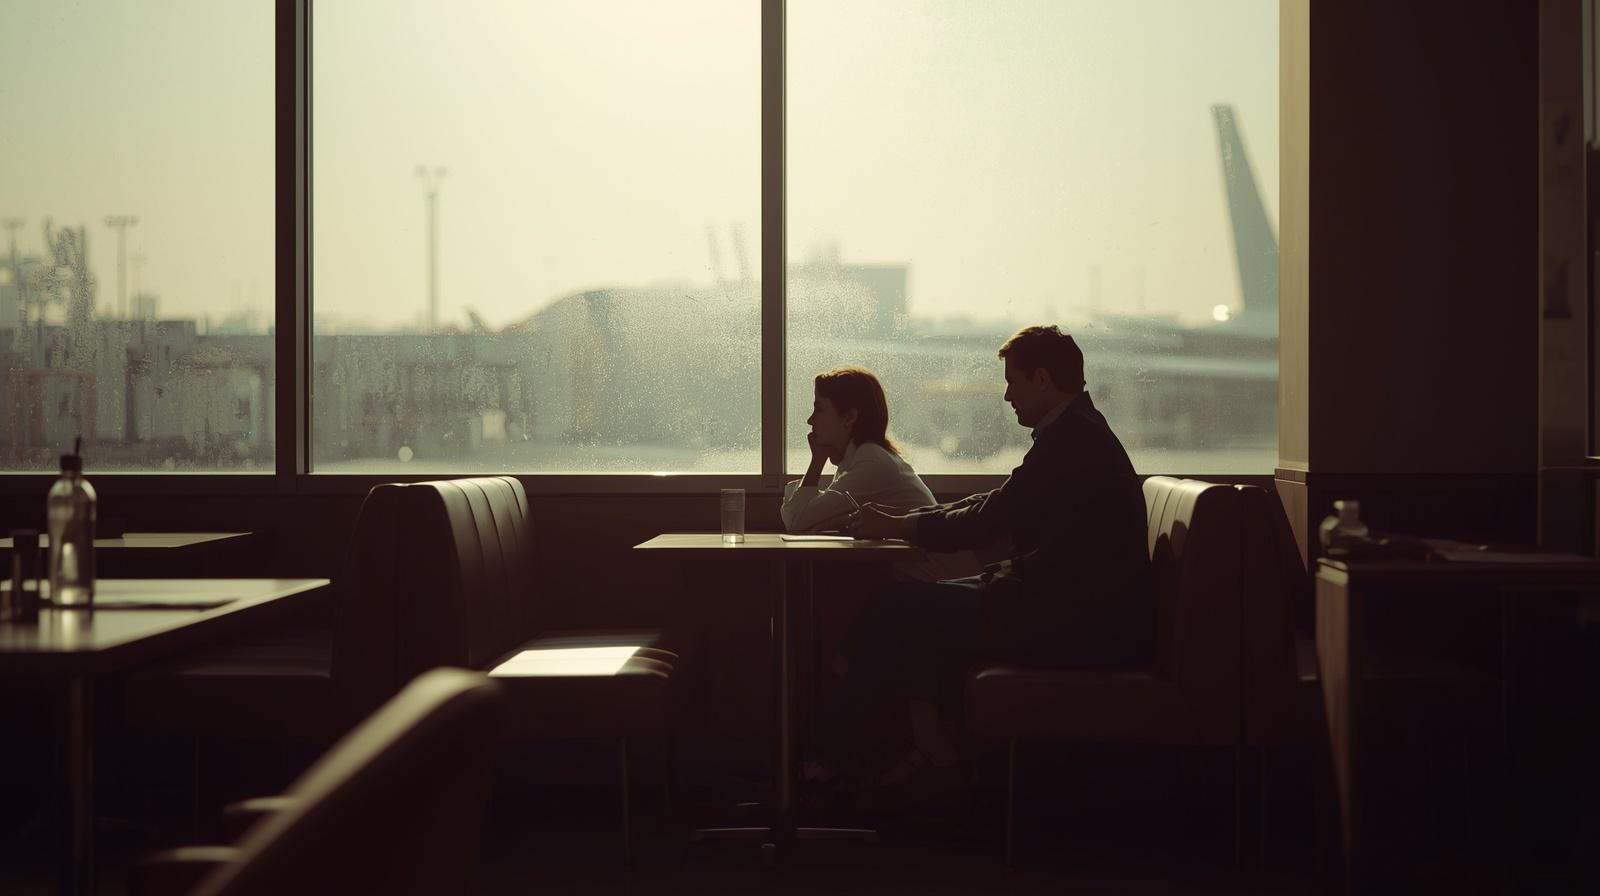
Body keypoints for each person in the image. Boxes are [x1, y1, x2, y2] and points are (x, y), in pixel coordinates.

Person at [807, 325, 1157, 790]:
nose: (1007, 395)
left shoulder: (1073, 441)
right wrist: (910, 519)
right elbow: (999, 503)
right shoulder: (1077, 433)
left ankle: (823, 760)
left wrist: (899, 525)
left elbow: (992, 517)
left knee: (898, 605)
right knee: (906, 606)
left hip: (1075, 621)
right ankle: (920, 750)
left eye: (1013, 381)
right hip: (1076, 608)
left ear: (1043, 380)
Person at [781, 367, 977, 583]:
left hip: (938, 583)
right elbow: (798, 519)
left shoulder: (872, 462)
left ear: (849, 417)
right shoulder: (860, 459)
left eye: (819, 409)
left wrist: (817, 462)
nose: (810, 420)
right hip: (920, 576)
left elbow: (797, 521)